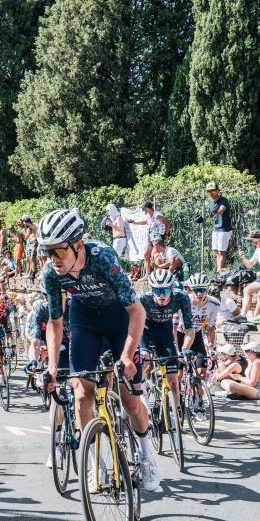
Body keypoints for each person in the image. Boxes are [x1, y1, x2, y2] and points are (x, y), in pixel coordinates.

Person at [36, 208, 159, 492]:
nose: (52, 259)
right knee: (81, 396)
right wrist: (53, 366)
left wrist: (127, 354)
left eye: (57, 252)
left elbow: (137, 312)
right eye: (47, 253)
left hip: (120, 316)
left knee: (130, 401)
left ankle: (146, 454)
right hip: (85, 320)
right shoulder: (51, 274)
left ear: (77, 244)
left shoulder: (102, 257)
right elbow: (55, 322)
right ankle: (96, 465)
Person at [139, 269, 195, 404]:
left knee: (174, 382)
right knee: (144, 359)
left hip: (164, 331)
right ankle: (141, 391)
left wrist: (185, 348)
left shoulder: (181, 297)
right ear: (151, 290)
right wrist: (141, 349)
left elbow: (189, 327)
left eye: (165, 290)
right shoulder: (143, 298)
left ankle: (174, 414)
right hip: (144, 330)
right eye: (157, 291)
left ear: (172, 288)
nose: (162, 295)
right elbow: (132, 323)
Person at [207, 182, 232, 273]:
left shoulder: (223, 200)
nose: (211, 193)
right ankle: (219, 271)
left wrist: (217, 213)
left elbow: (222, 209)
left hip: (224, 229)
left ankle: (219, 273)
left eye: (213, 190)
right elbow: (211, 213)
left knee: (222, 252)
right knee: (216, 251)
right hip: (216, 228)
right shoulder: (209, 200)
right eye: (209, 191)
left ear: (217, 190)